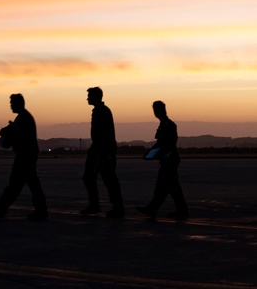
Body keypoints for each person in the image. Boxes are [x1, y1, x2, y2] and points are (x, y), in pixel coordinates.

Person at [0, 93, 48, 220]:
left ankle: (1, 209)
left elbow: (20, 134)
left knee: (17, 183)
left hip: (26, 155)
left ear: (18, 103)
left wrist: (7, 133)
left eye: (12, 103)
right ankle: (40, 210)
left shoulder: (24, 118)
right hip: (27, 154)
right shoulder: (22, 117)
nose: (10, 106)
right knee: (29, 183)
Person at [136, 101, 188, 220]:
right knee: (170, 187)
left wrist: (155, 153)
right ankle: (178, 210)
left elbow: (167, 144)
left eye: (156, 110)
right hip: (168, 159)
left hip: (169, 160)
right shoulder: (165, 124)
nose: (155, 112)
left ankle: (153, 209)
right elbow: (160, 143)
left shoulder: (168, 125)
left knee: (165, 186)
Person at [80, 86, 125, 217]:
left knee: (108, 180)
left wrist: (101, 152)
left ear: (97, 97)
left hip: (103, 150)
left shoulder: (102, 111)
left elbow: (104, 135)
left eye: (90, 96)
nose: (87, 98)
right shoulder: (100, 111)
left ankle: (114, 207)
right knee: (93, 177)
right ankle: (98, 205)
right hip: (99, 149)